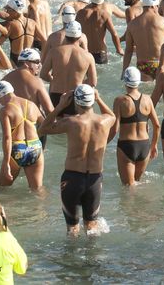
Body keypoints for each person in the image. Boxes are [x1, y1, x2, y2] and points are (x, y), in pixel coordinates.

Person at [38, 84, 117, 234]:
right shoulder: (105, 121)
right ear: (92, 100)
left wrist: (60, 106)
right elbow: (112, 115)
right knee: (91, 228)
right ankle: (91, 258)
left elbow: (42, 129)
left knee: (72, 229)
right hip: (94, 179)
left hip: (72, 179)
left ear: (76, 102)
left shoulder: (71, 122)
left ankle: (71, 257)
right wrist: (99, 98)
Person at [0, 81, 44, 191]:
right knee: (38, 190)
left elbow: (7, 138)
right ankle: (40, 208)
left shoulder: (5, 110)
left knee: (3, 190)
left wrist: (6, 163)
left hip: (17, 149)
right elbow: (44, 125)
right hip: (35, 147)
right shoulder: (31, 105)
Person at [113, 67, 159, 185]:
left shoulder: (120, 100)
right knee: (136, 183)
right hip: (144, 146)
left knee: (128, 187)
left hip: (127, 145)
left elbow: (115, 128)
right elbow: (157, 125)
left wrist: (102, 143)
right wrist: (153, 146)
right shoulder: (147, 99)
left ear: (125, 81)